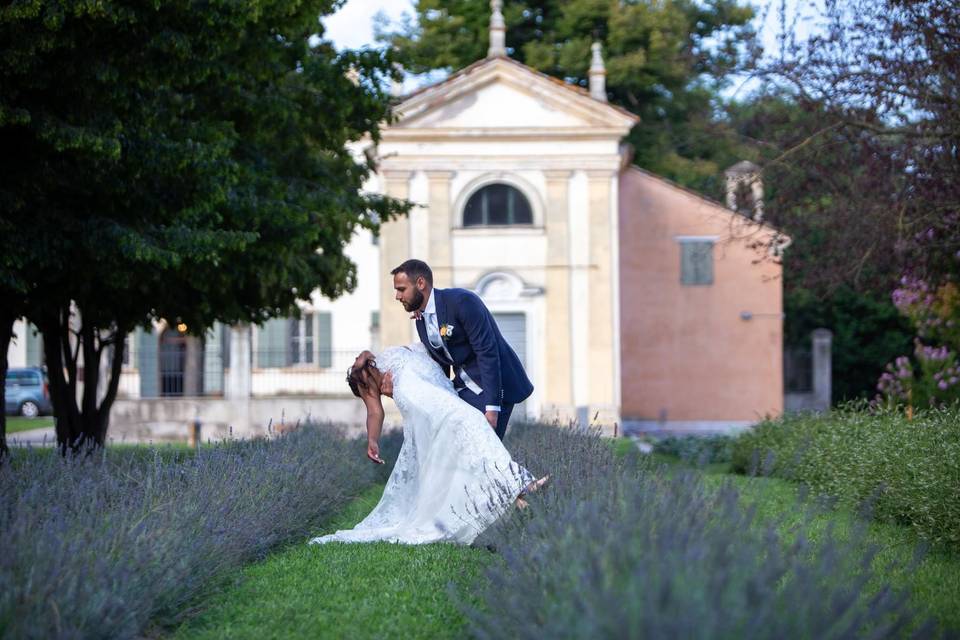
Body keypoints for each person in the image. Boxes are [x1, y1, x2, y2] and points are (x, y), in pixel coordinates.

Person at [308, 345, 547, 546]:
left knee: (468, 444)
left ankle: (516, 497)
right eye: (355, 360)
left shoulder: (387, 355)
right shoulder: (362, 379)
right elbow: (374, 411)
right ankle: (520, 485)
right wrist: (372, 440)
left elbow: (426, 350)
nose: (356, 356)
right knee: (471, 422)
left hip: (435, 390)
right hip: (416, 394)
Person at [391, 259, 533, 440]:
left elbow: (487, 352)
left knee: (483, 455)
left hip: (494, 387)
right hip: (464, 388)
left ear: (420, 283)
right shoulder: (421, 318)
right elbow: (441, 364)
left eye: (401, 289)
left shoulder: (462, 302)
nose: (397, 296)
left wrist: (492, 408)